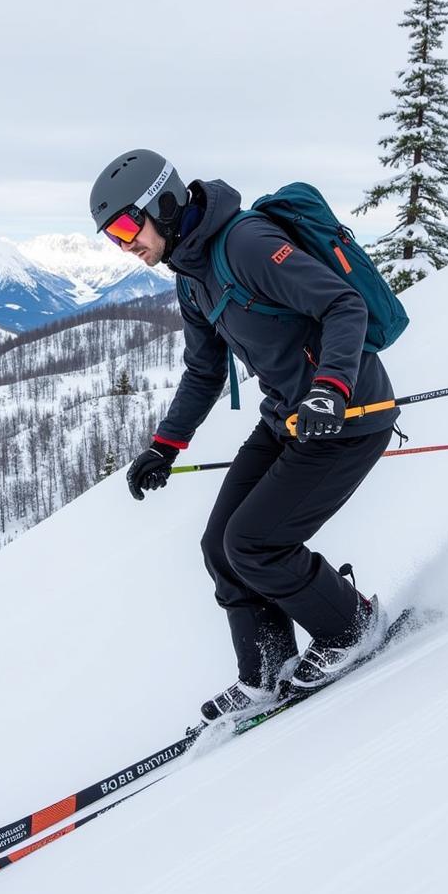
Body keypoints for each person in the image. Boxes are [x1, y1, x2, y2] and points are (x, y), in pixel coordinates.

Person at [89, 149, 400, 721]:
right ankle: (266, 668)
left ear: (164, 202)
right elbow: (205, 371)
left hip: (347, 416)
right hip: (286, 418)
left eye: (129, 226)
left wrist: (329, 387)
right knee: (220, 547)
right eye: (113, 236)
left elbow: (343, 305)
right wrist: (165, 445)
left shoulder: (246, 243)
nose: (126, 243)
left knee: (256, 543)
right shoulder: (191, 277)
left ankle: (352, 625)